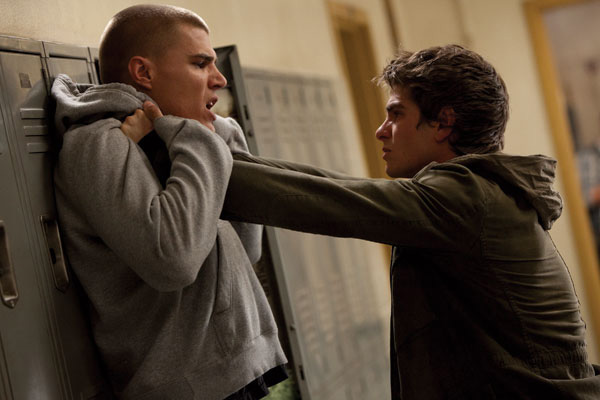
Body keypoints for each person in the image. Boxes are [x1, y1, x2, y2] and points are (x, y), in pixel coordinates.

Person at [129, 44, 600, 398]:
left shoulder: (469, 199)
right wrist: (218, 150)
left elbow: (326, 201)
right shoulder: (472, 193)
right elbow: (333, 185)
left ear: (443, 123)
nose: (381, 130)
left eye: (396, 114)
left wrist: (166, 147)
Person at [50, 4, 287, 400]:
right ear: (143, 73)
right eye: (200, 64)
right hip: (182, 385)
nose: (219, 79)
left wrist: (223, 139)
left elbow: (246, 250)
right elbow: (174, 260)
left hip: (232, 369)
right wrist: (202, 141)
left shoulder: (172, 137)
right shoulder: (99, 144)